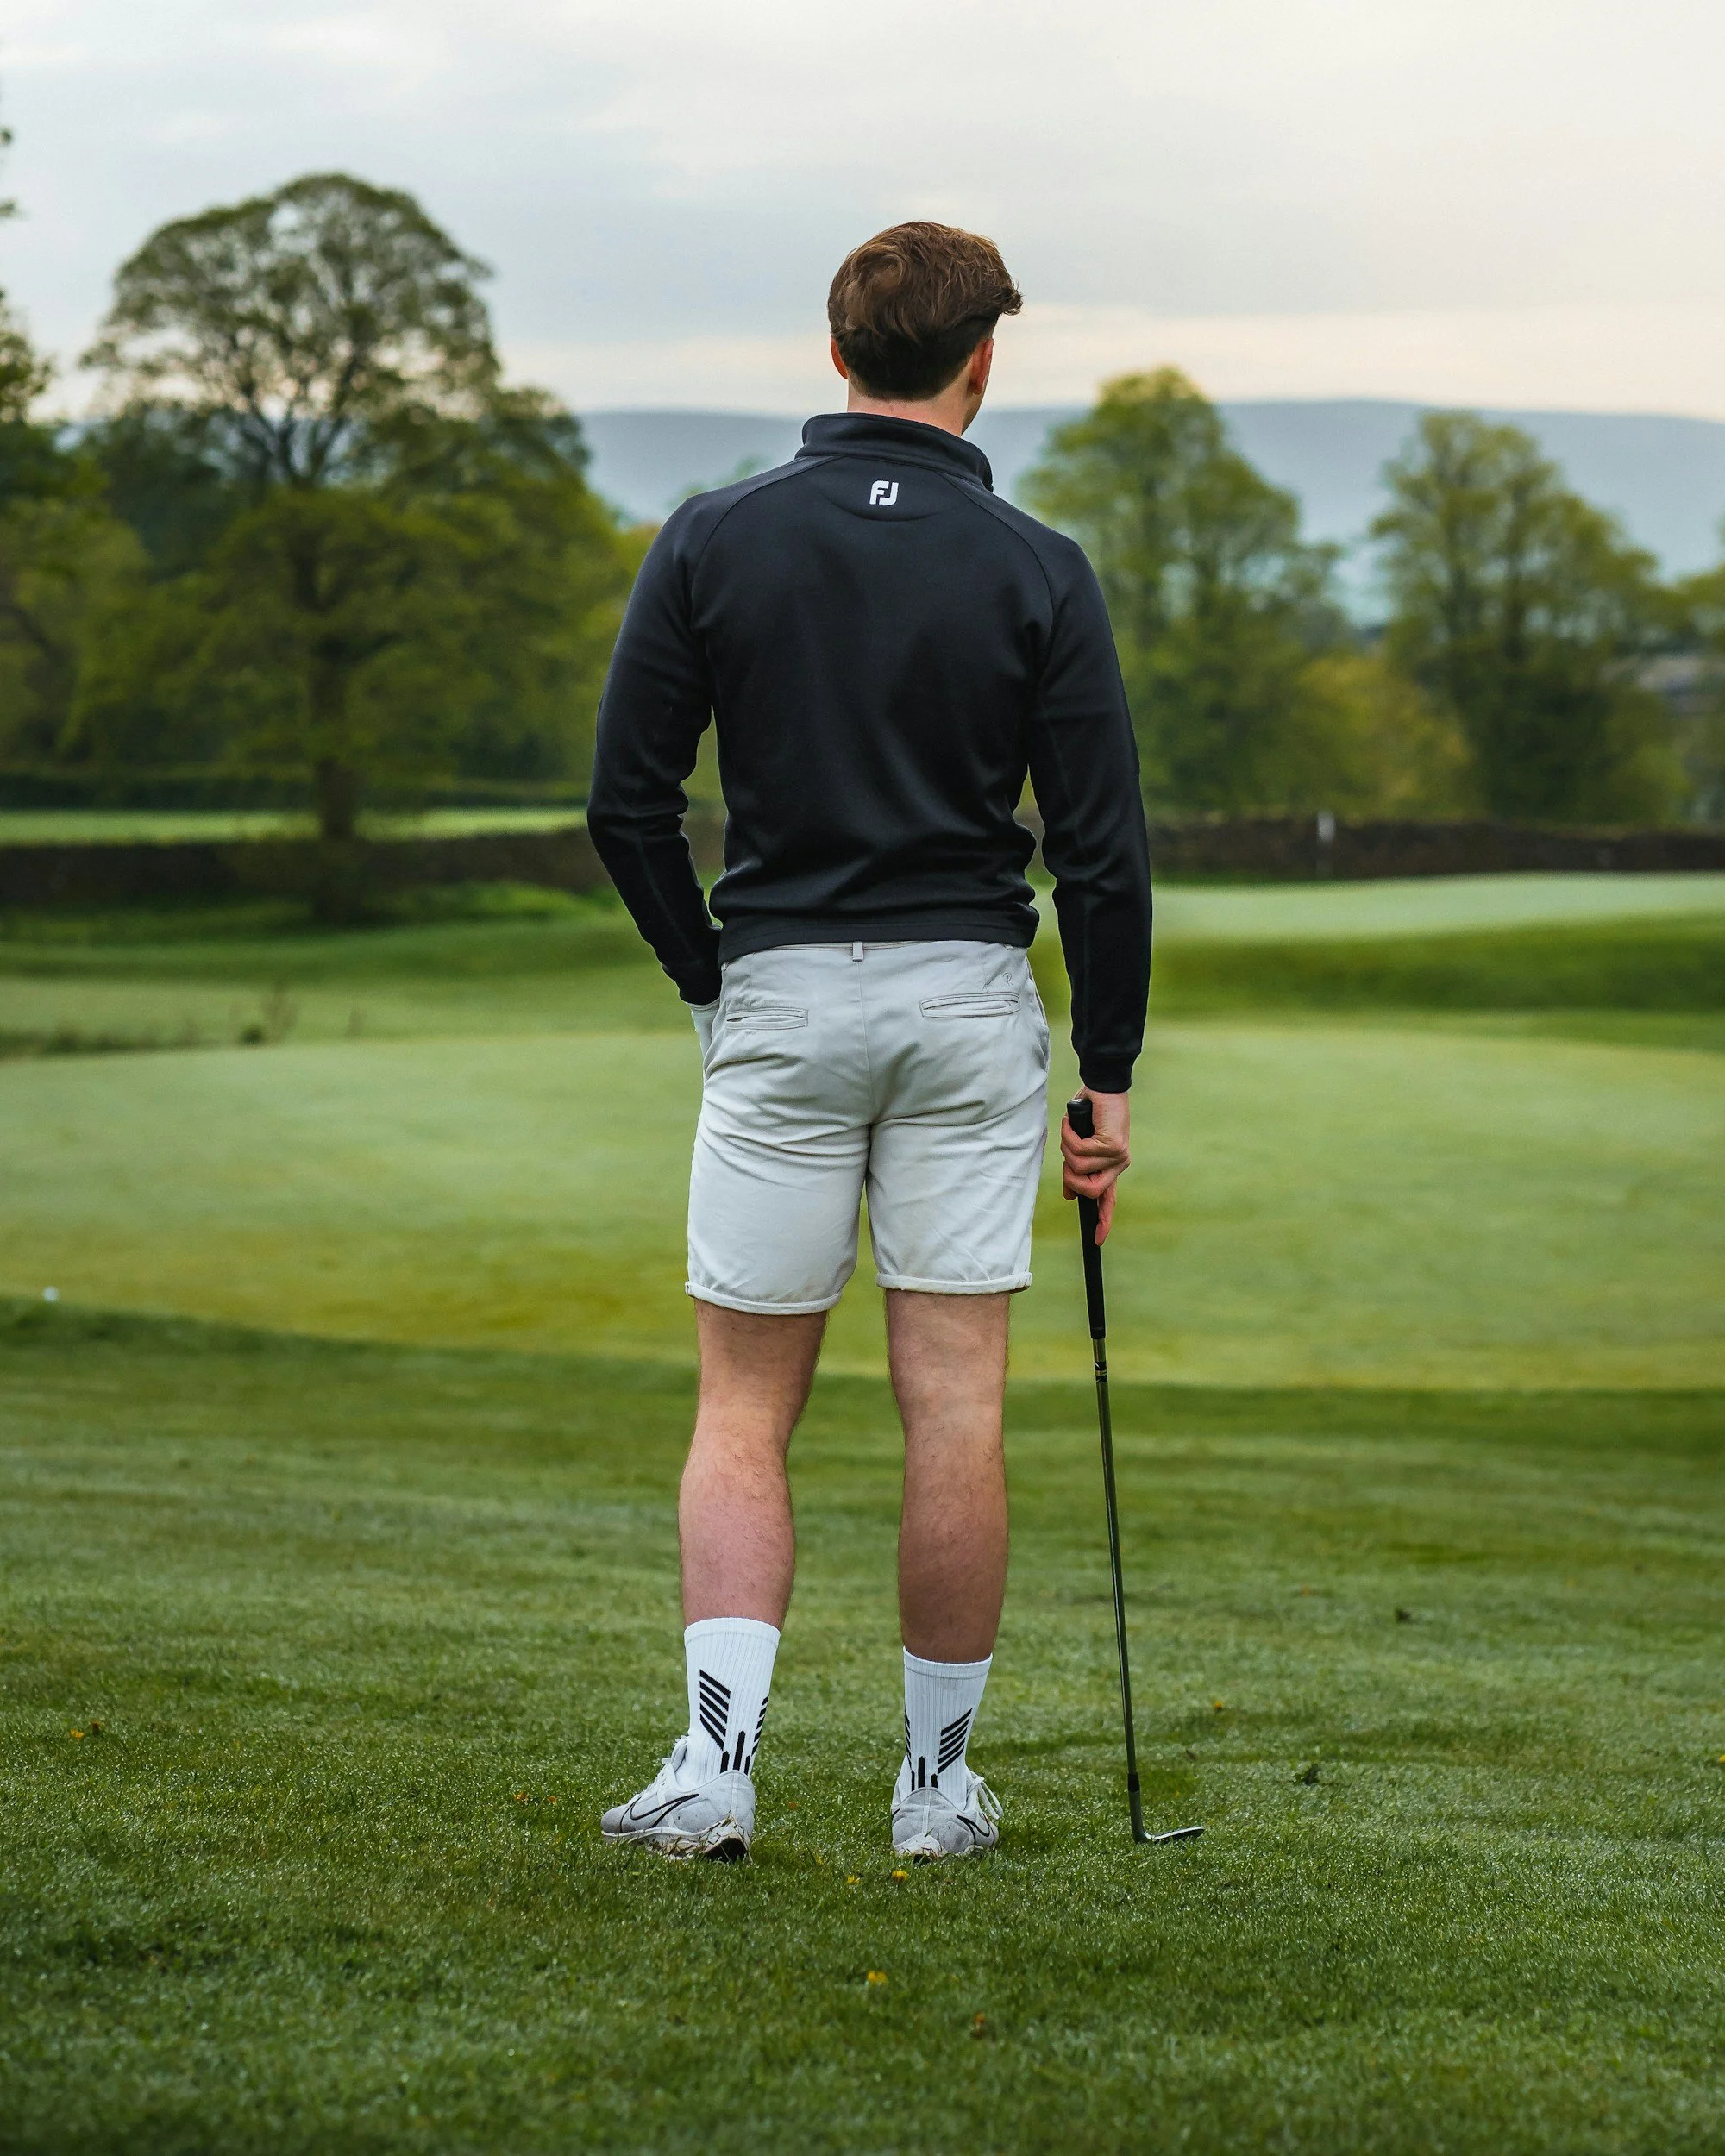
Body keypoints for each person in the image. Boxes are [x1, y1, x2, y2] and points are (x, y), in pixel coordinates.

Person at [586, 222, 1151, 1861]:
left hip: (780, 999)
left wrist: (712, 980)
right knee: (954, 1402)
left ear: (838, 354)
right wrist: (1105, 1076)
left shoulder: (714, 537)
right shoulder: (1038, 565)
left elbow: (628, 808)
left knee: (745, 1407)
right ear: (985, 362)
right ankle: (931, 1794)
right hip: (970, 1006)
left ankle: (714, 1774)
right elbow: (1103, 853)